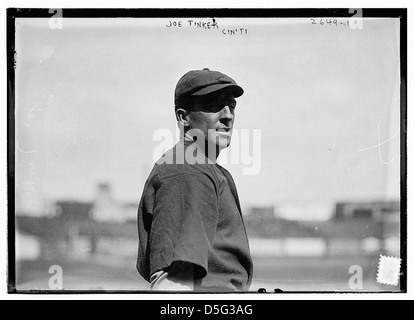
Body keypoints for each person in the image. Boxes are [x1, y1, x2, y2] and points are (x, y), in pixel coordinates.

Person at [137, 68, 253, 292]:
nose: (227, 116)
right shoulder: (188, 171)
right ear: (183, 117)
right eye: (213, 105)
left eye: (232, 106)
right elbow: (172, 284)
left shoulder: (199, 166)